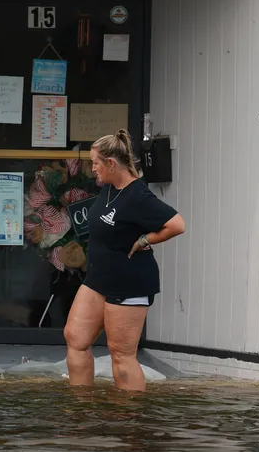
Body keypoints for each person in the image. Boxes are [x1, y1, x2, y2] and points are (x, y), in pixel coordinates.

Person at [63, 129, 186, 392]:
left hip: (129, 282)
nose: (92, 168)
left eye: (96, 162)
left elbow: (177, 224)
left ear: (111, 163)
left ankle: (130, 422)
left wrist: (144, 241)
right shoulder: (109, 189)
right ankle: (81, 409)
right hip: (97, 280)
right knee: (75, 338)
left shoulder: (138, 196)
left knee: (120, 354)